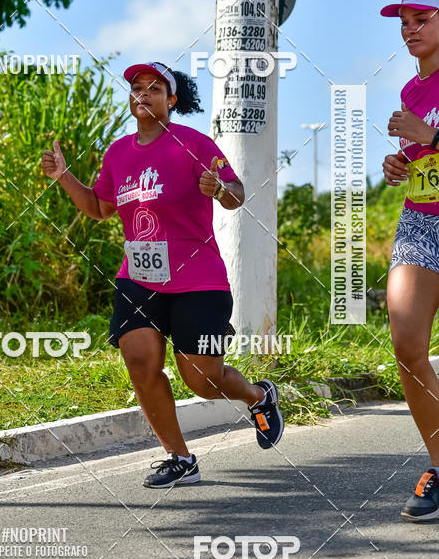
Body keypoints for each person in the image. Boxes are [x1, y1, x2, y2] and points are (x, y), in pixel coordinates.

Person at [42, 61, 284, 488]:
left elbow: (236, 194)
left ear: (171, 100)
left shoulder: (194, 144)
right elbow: (100, 208)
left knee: (202, 379)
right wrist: (63, 176)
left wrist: (220, 189)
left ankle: (258, 396)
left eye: (154, 89)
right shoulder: (117, 153)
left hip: (198, 279)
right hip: (138, 276)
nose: (143, 94)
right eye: (137, 88)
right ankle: (179, 457)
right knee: (139, 361)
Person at [382, 0, 439, 520]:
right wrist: (398, 164)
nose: (409, 29)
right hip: (421, 220)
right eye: (403, 20)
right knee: (406, 344)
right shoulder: (409, 90)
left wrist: (432, 137)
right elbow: (418, 153)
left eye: (420, 18)